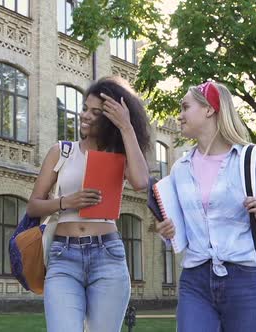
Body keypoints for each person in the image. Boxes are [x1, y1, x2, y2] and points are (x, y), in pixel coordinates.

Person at [156, 81, 256, 332]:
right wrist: (167, 231)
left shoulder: (254, 159)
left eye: (186, 107)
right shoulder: (180, 169)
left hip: (247, 280)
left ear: (209, 109)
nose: (180, 115)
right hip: (195, 281)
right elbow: (181, 232)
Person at [27, 76, 151, 332]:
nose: (85, 115)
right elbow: (33, 206)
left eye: (96, 112)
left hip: (108, 255)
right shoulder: (62, 151)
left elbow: (141, 182)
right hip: (63, 255)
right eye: (85, 108)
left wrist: (126, 127)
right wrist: (64, 202)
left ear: (110, 118)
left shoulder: (120, 155)